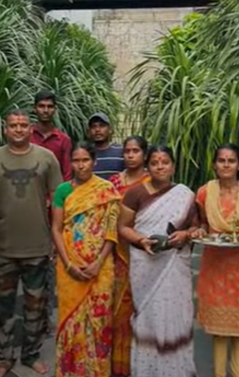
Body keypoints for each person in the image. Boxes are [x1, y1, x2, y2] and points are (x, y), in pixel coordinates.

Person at [0, 109, 63, 377]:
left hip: (38, 246)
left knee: (36, 306)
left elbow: (58, 202)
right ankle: (4, 358)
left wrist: (56, 240)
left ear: (31, 129)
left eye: (23, 125)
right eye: (13, 125)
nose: (18, 129)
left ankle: (30, 354)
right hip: (2, 247)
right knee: (2, 306)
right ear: (5, 129)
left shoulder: (47, 159)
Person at [117, 145, 198, 377]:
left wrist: (186, 234)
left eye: (165, 162)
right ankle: (148, 370)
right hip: (145, 263)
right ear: (147, 166)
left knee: (176, 315)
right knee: (148, 316)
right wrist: (142, 240)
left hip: (174, 263)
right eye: (155, 163)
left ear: (173, 166)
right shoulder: (135, 193)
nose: (160, 167)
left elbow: (196, 226)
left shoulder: (184, 194)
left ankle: (176, 370)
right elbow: (122, 227)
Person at [193, 144, 239, 377]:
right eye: (221, 160)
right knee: (219, 329)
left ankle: (237, 374)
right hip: (215, 263)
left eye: (231, 160)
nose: (226, 165)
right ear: (214, 165)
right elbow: (204, 223)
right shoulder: (205, 192)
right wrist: (200, 232)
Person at [51, 141, 120, 377]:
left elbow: (111, 232)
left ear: (94, 161)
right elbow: (56, 228)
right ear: (71, 162)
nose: (81, 165)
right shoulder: (63, 190)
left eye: (85, 160)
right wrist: (69, 264)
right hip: (69, 267)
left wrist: (98, 263)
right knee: (71, 321)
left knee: (100, 323)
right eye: (77, 161)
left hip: (101, 268)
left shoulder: (106, 189)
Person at [108, 135, 150, 377]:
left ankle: (144, 364)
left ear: (144, 154)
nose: (131, 155)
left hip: (146, 254)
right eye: (127, 151)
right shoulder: (114, 182)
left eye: (135, 151)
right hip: (118, 255)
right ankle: (119, 367)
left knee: (143, 310)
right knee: (119, 311)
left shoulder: (153, 182)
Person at [30, 91, 72, 181]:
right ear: (34, 109)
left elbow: (67, 173)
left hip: (55, 191)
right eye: (41, 106)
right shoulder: (27, 136)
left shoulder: (63, 140)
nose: (45, 110)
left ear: (55, 109)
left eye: (50, 107)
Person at [87, 113, 124, 180]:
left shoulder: (121, 151)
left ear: (110, 130)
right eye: (93, 126)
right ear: (89, 132)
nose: (97, 130)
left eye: (102, 126)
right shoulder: (86, 154)